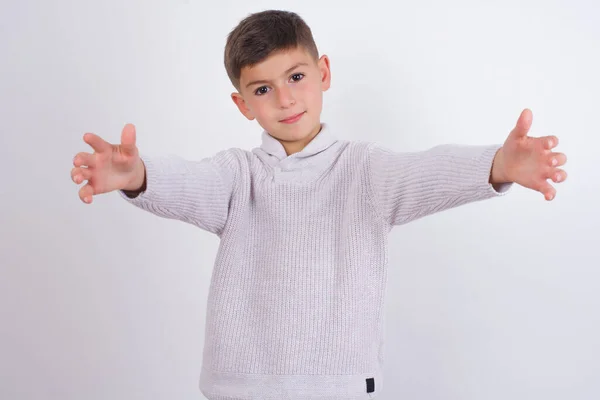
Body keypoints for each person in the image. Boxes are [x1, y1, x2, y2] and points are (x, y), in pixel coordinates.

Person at [70, 9, 567, 400]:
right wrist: (138, 175)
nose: (285, 100)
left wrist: (498, 164)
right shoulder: (236, 176)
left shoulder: (364, 171)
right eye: (263, 89)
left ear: (323, 72)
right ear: (243, 104)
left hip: (338, 387)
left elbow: (427, 171)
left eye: (296, 77)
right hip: (239, 387)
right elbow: (187, 182)